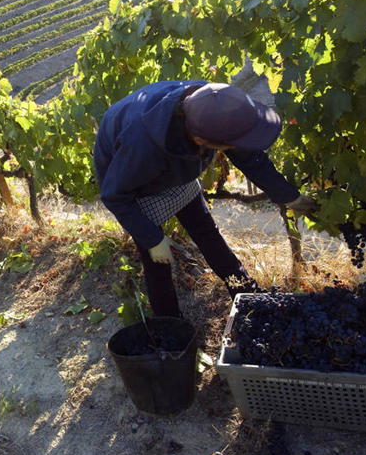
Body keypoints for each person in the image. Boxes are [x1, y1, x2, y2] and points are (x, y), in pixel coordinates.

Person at [93, 81, 317, 318]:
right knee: (157, 261)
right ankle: (170, 325)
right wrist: (152, 239)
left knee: (206, 232)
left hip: (172, 157)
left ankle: (245, 293)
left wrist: (288, 196)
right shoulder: (141, 147)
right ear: (201, 140)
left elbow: (249, 157)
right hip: (133, 183)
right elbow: (115, 195)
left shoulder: (212, 105)